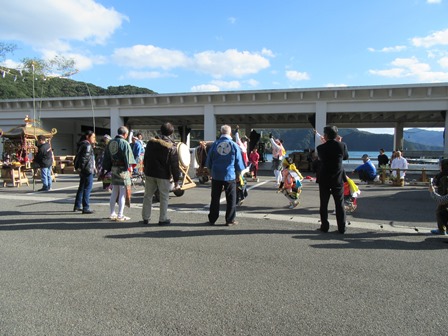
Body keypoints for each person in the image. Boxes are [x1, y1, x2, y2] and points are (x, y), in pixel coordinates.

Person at [142, 122, 180, 225]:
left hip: (150, 172)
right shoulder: (171, 146)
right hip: (163, 174)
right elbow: (174, 165)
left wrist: (145, 169)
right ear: (171, 133)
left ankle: (146, 217)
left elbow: (145, 158)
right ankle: (162, 219)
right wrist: (176, 180)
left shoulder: (151, 142)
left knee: (148, 195)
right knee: (164, 197)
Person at [206, 124, 245, 226]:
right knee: (231, 198)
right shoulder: (234, 145)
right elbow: (238, 162)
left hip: (216, 175)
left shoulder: (214, 144)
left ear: (221, 132)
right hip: (229, 175)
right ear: (230, 133)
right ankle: (230, 219)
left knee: (215, 198)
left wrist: (211, 173)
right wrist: (238, 175)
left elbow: (209, 161)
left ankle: (212, 219)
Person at [316, 125, 349, 234]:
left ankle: (324, 226)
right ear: (336, 136)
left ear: (325, 136)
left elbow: (322, 157)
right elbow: (345, 157)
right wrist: (339, 142)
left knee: (324, 204)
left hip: (324, 178)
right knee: (339, 204)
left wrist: (325, 143)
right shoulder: (342, 146)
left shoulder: (320, 148)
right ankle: (342, 227)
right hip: (337, 179)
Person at [102, 126, 136, 222]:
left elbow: (106, 157)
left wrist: (107, 168)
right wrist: (130, 169)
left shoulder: (110, 142)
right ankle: (120, 215)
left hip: (113, 168)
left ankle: (112, 213)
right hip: (122, 170)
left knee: (114, 191)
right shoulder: (124, 143)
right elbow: (128, 158)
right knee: (122, 193)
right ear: (125, 134)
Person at [73, 131, 96, 214]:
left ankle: (77, 205)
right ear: (87, 136)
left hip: (84, 169)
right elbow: (84, 159)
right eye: (93, 137)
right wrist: (84, 168)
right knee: (87, 188)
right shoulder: (87, 146)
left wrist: (79, 169)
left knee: (81, 187)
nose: (94, 139)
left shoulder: (82, 144)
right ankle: (85, 207)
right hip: (87, 169)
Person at [429, 159, 448, 235]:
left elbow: (442, 199)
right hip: (444, 198)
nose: (439, 167)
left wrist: (432, 191)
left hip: (444, 198)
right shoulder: (441, 175)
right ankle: (442, 229)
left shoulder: (445, 177)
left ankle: (442, 230)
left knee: (441, 211)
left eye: (441, 165)